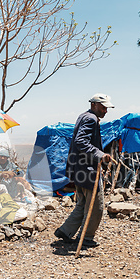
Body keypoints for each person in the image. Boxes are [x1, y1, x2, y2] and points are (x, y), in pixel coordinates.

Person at [54, 93, 114, 248]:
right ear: (94, 104)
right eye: (103, 107)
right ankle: (86, 238)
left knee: (83, 203)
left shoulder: (84, 116)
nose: (105, 111)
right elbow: (81, 141)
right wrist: (100, 155)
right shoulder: (91, 119)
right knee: (95, 207)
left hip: (80, 169)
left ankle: (66, 231)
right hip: (87, 170)